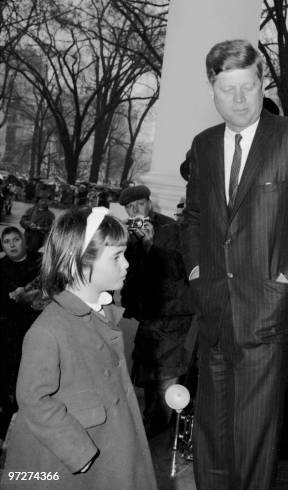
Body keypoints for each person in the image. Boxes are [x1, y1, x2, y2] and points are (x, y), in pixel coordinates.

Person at [180, 39, 288, 490]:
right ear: (212, 89)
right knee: (211, 442)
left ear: (261, 82)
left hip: (267, 317)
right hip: (213, 315)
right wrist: (195, 272)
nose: (240, 99)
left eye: (248, 86)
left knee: (253, 445)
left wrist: (286, 279)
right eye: (228, 89)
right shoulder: (204, 146)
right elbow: (193, 218)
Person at [1, 207, 157, 490]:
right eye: (117, 257)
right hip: (68, 466)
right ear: (82, 263)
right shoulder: (49, 330)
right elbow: (33, 399)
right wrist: (79, 452)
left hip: (110, 445)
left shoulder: (100, 314)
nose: (126, 265)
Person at [118, 184, 193, 437]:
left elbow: (177, 271)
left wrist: (151, 246)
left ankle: (158, 426)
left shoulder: (171, 229)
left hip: (173, 313)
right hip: (151, 314)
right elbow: (133, 274)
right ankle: (151, 422)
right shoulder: (131, 233)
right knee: (148, 371)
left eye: (138, 204)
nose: (134, 210)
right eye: (129, 207)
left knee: (166, 374)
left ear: (149, 203)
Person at [0, 227, 44, 439]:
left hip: (36, 330)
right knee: (8, 378)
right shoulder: (1, 267)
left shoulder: (40, 262)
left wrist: (31, 297)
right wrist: (13, 298)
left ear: (24, 241)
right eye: (7, 241)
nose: (12, 244)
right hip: (9, 333)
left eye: (16, 239)